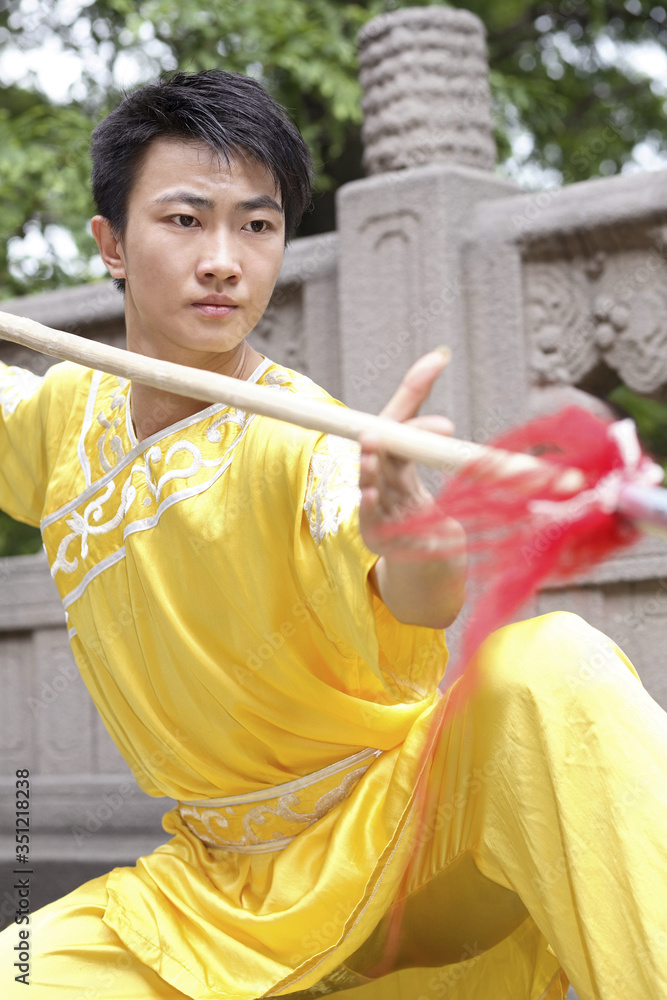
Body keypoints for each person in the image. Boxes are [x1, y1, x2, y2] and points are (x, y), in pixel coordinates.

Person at [0, 69, 665, 1000]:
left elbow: (423, 597)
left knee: (548, 664)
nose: (224, 259)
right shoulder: (69, 413)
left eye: (257, 225)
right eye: (186, 221)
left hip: (398, 845)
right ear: (110, 241)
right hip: (207, 891)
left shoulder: (307, 439)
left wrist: (413, 535)